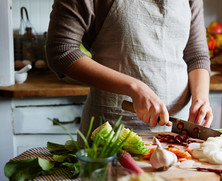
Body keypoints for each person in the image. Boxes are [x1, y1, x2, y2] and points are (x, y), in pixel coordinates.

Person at [46, 0, 213, 135]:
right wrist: (134, 87)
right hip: (113, 131)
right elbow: (61, 51)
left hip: (177, 129)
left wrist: (201, 99)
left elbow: (196, 54)